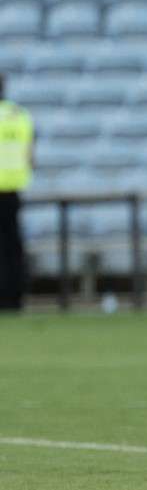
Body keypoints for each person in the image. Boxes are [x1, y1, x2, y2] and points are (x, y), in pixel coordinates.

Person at [0, 73, 34, 312]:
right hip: (14, 190)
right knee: (14, 247)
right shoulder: (20, 116)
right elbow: (31, 157)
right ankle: (16, 299)